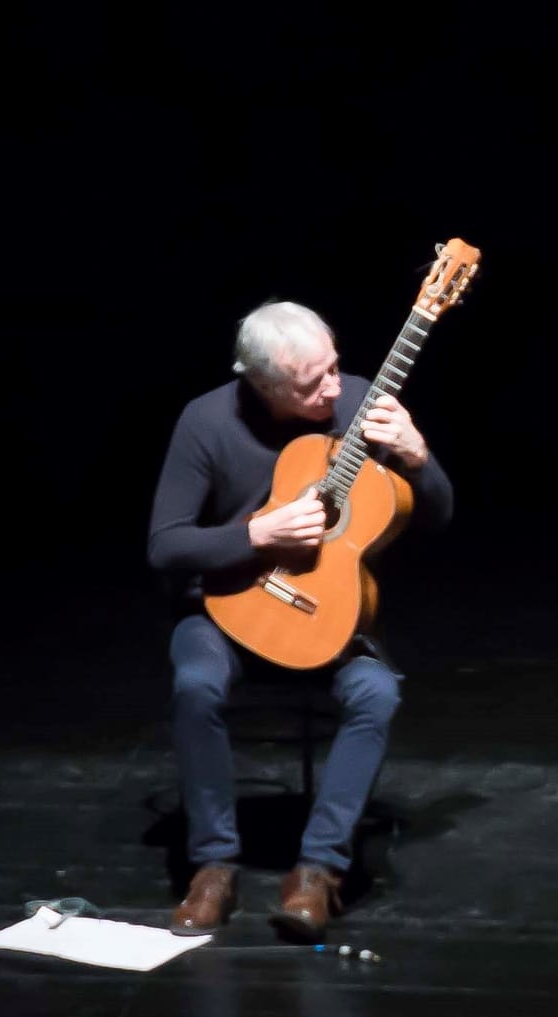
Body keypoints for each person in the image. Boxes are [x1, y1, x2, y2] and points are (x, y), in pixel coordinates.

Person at [148, 300, 454, 941]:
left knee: (377, 694)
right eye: (312, 383)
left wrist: (418, 456)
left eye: (335, 368)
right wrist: (258, 533)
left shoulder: (364, 404)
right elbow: (166, 546)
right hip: (228, 610)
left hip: (332, 617)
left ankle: (319, 869)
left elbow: (437, 515)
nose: (334, 389)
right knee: (195, 686)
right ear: (262, 384)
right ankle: (213, 865)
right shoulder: (206, 420)